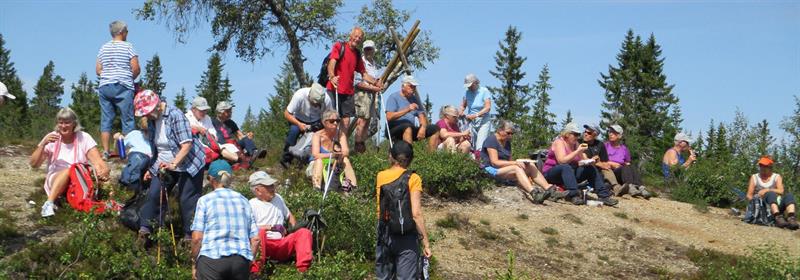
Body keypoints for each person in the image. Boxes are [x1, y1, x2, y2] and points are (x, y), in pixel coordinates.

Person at [134, 90, 206, 242]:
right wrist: (151, 169)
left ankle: (190, 236)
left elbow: (186, 144)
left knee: (187, 200)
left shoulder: (175, 115)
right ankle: (146, 230)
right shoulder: (152, 120)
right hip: (165, 163)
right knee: (154, 193)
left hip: (189, 163)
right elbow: (158, 148)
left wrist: (173, 164)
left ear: (157, 105)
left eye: (148, 111)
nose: (146, 115)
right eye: (144, 113)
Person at [30, 108, 110, 217]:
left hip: (79, 176)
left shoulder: (84, 137)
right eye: (60, 122)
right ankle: (49, 203)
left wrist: (103, 170)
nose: (63, 126)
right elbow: (34, 164)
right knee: (69, 170)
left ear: (74, 123)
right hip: (56, 176)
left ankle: (109, 204)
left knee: (105, 180)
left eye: (67, 122)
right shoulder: (51, 137)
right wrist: (43, 145)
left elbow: (97, 161)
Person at [190, 160, 259, 280]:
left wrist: (194, 263)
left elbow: (197, 238)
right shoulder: (244, 200)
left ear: (211, 178)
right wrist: (249, 261)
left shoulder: (205, 200)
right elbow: (256, 239)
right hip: (240, 261)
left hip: (211, 261)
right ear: (230, 178)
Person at [375, 140, 432, 279]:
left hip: (384, 233)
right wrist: (426, 244)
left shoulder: (380, 176)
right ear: (410, 159)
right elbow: (416, 214)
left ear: (391, 156)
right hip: (406, 236)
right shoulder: (414, 178)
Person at [248, 171, 313, 273]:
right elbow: (248, 229)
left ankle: (303, 270)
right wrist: (272, 227)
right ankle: (255, 271)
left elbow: (289, 215)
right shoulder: (251, 204)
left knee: (304, 232)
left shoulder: (278, 198)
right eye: (268, 186)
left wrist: (294, 229)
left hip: (281, 243)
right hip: (265, 244)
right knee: (259, 234)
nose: (273, 187)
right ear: (258, 190)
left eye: (272, 185)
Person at [542, 122, 618, 206]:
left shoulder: (576, 144)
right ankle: (573, 195)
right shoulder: (559, 142)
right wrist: (577, 151)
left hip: (568, 174)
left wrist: (590, 161)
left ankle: (604, 196)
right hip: (552, 173)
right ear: (567, 134)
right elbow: (561, 161)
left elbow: (582, 160)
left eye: (578, 134)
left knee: (590, 168)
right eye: (575, 134)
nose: (577, 137)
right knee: (565, 167)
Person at [481, 120, 556, 204]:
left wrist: (522, 163)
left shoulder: (507, 142)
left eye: (512, 134)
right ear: (499, 130)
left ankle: (549, 189)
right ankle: (534, 193)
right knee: (516, 167)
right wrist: (515, 163)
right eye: (508, 133)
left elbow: (508, 160)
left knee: (530, 165)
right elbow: (495, 162)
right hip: (491, 170)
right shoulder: (491, 140)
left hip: (502, 170)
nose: (510, 136)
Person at [96, 20, 140, 159]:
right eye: (126, 31)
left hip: (105, 86)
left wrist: (109, 74)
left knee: (106, 118)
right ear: (122, 32)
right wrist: (129, 77)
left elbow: (98, 70)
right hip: (123, 85)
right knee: (127, 118)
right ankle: (128, 150)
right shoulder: (128, 47)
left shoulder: (103, 48)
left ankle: (106, 151)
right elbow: (136, 68)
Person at [326, 27, 382, 134]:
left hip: (348, 93)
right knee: (331, 120)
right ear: (350, 36)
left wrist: (376, 82)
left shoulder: (357, 54)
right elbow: (332, 62)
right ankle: (328, 145)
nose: (357, 39)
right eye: (356, 36)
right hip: (334, 89)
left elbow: (364, 74)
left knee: (346, 122)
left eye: (360, 38)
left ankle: (340, 146)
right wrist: (332, 76)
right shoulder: (339, 46)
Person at [385, 75, 441, 150]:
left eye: (414, 87)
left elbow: (421, 116)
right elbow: (389, 117)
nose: (413, 89)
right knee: (407, 126)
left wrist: (423, 127)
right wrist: (408, 109)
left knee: (435, 128)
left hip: (410, 128)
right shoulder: (393, 97)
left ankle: (431, 157)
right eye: (411, 86)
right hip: (394, 128)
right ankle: (409, 155)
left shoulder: (414, 99)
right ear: (403, 86)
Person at [281, 83, 332, 165]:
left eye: (318, 104)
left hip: (317, 121)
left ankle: (313, 159)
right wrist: (299, 124)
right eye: (314, 103)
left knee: (321, 136)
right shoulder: (299, 95)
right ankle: (286, 159)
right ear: (309, 96)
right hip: (298, 119)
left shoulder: (327, 100)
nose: (316, 105)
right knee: (293, 132)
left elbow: (329, 116)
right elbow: (287, 114)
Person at [308, 110, 357, 191]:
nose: (335, 123)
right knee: (319, 161)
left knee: (346, 160)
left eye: (337, 121)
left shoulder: (340, 134)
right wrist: (332, 155)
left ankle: (353, 188)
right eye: (332, 121)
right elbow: (315, 155)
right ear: (324, 122)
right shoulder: (317, 135)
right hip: (317, 164)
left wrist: (339, 153)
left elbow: (346, 152)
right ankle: (316, 189)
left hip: (336, 162)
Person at [745, 156, 798, 230]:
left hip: (776, 204)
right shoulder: (755, 177)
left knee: (789, 196)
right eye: (761, 165)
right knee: (771, 194)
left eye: (765, 166)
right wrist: (755, 200)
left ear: (770, 167)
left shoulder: (776, 177)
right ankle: (777, 217)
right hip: (762, 206)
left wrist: (767, 190)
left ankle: (791, 218)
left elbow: (781, 191)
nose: (762, 167)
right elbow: (749, 195)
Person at [602, 125, 651, 198]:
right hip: (611, 172)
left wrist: (625, 165)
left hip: (622, 172)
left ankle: (640, 187)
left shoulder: (624, 149)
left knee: (631, 166)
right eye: (610, 132)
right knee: (625, 167)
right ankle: (630, 186)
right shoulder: (605, 146)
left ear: (619, 136)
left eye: (614, 132)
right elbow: (600, 161)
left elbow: (627, 162)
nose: (611, 134)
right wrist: (611, 163)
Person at [352, 39, 384, 153]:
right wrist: (374, 87)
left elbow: (376, 78)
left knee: (368, 120)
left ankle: (361, 144)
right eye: (366, 49)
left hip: (372, 94)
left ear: (374, 50)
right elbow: (358, 82)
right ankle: (357, 144)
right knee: (361, 120)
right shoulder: (361, 62)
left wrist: (378, 84)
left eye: (370, 49)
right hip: (362, 93)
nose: (368, 51)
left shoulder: (374, 63)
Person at [185, 97, 239, 162]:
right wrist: (197, 128)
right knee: (223, 151)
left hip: (210, 143)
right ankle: (238, 161)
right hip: (196, 146)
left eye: (205, 110)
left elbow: (212, 131)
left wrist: (213, 136)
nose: (204, 112)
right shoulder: (186, 117)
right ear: (193, 109)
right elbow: (184, 128)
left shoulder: (207, 118)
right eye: (201, 110)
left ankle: (237, 161)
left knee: (230, 147)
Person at [114, 120, 152, 192]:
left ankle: (130, 186)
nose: (146, 133)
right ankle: (128, 184)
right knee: (137, 159)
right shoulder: (134, 134)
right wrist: (117, 140)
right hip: (136, 157)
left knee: (141, 160)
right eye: (143, 130)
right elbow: (119, 153)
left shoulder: (157, 137)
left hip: (149, 161)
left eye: (148, 130)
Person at [459, 74, 492, 152]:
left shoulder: (484, 91)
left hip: (483, 121)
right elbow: (463, 106)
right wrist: (461, 112)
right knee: (471, 144)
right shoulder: (467, 93)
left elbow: (488, 107)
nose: (469, 87)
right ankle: (473, 162)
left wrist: (476, 115)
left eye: (470, 85)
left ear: (475, 83)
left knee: (480, 145)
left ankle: (479, 162)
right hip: (471, 122)